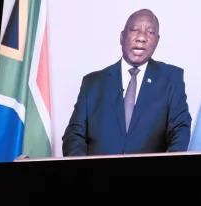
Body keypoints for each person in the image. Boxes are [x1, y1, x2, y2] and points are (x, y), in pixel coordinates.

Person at [62, 9, 190, 156]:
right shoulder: (92, 83)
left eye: (150, 32)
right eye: (135, 30)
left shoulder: (171, 78)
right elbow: (74, 135)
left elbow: (180, 131)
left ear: (157, 41)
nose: (141, 37)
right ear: (122, 37)